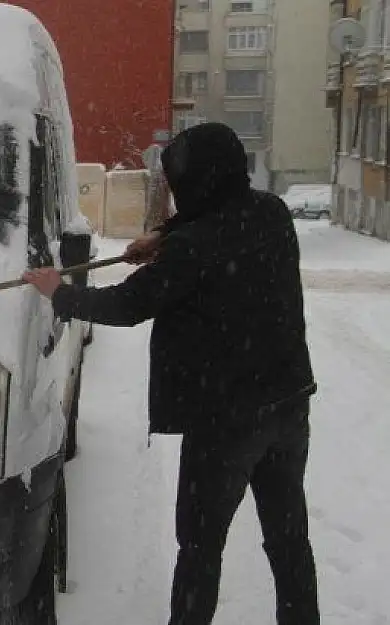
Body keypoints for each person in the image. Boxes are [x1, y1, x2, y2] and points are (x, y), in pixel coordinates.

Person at [23, 122, 320, 625]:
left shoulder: (194, 248)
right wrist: (162, 235)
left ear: (195, 180)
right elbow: (218, 219)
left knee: (200, 552)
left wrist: (60, 292)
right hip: (288, 407)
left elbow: (128, 303)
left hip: (224, 424)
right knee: (288, 538)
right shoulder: (271, 213)